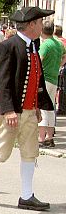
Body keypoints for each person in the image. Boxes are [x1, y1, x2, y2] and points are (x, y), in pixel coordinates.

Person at [0, 7, 54, 210]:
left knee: (30, 152)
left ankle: (27, 195)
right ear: (32, 24)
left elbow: (36, 79)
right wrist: (8, 110)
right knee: (2, 151)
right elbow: (2, 82)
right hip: (12, 111)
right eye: (40, 22)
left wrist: (37, 104)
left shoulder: (33, 46)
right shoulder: (8, 46)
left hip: (28, 111)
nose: (42, 25)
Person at [38, 19, 65, 147]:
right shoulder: (58, 43)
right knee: (50, 108)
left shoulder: (46, 44)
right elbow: (65, 56)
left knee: (43, 108)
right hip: (54, 77)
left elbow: (39, 60)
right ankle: (49, 137)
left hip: (45, 79)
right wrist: (59, 65)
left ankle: (41, 138)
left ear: (42, 30)